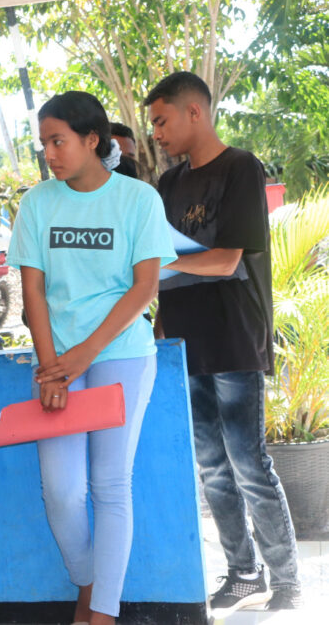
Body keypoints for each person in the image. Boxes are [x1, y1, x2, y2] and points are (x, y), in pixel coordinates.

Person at [9, 92, 175, 625]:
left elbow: (144, 286)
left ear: (91, 140)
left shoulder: (138, 199)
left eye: (58, 141)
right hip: (60, 361)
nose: (49, 153)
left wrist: (85, 354)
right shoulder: (38, 203)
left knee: (110, 483)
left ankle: (100, 612)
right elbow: (32, 294)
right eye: (44, 143)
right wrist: (52, 365)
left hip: (120, 352)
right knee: (59, 490)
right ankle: (88, 582)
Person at [148, 71, 302, 613]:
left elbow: (227, 258)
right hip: (185, 340)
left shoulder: (241, 168)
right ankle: (242, 573)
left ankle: (285, 577)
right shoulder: (166, 186)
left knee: (248, 461)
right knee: (211, 465)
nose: (157, 135)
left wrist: (161, 266)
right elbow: (158, 267)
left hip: (235, 334)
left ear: (196, 112)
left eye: (162, 121)